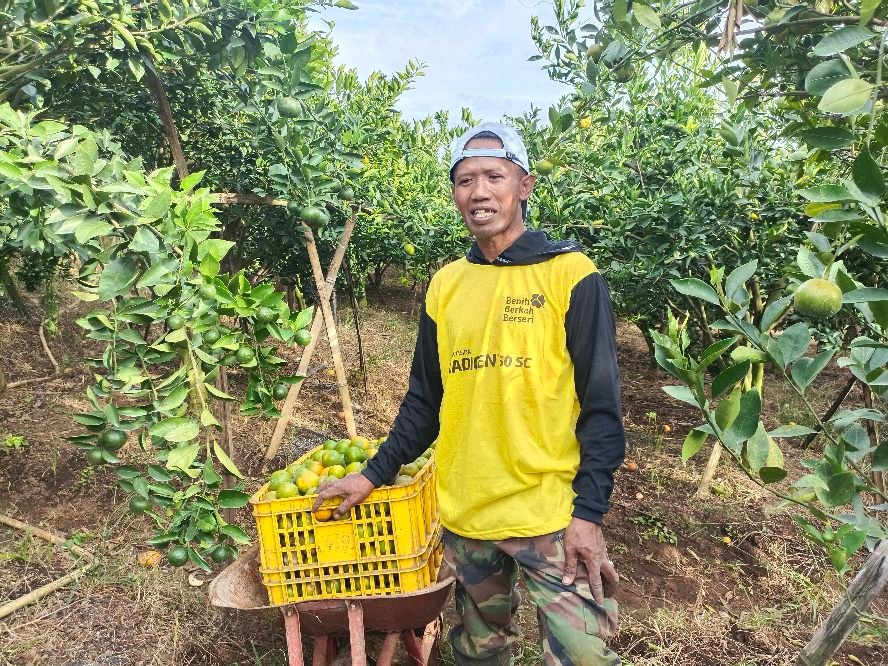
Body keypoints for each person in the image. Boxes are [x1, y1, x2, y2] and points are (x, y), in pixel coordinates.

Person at [314, 122, 625, 665]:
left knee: (586, 657)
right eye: (464, 180)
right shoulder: (446, 284)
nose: (478, 192)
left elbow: (602, 407)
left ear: (524, 185)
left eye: (493, 176)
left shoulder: (571, 275)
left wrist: (590, 513)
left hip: (549, 515)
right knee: (480, 654)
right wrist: (370, 475)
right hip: (467, 518)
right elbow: (424, 401)